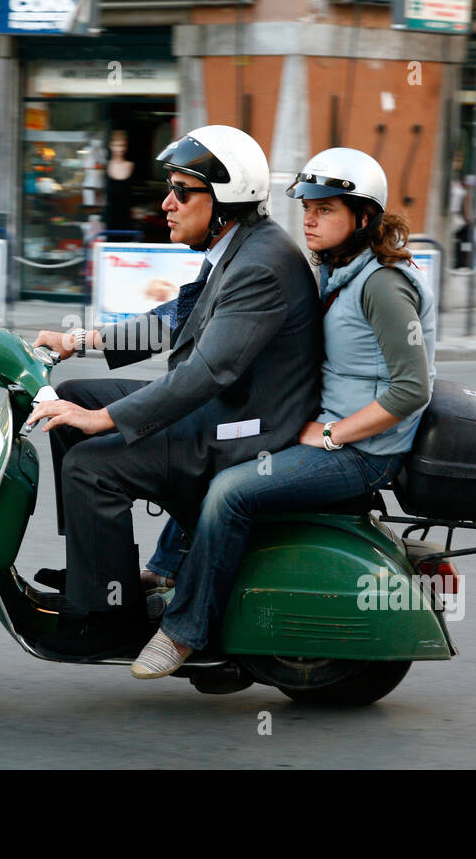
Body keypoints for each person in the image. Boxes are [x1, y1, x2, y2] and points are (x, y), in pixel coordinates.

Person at [129, 147, 437, 678]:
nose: (310, 219)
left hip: (364, 452)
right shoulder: (340, 267)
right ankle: (165, 572)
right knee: (215, 444)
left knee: (232, 490)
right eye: (307, 207)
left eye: (326, 209)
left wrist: (335, 435)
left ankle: (184, 633)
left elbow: (412, 390)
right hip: (324, 428)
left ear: (363, 218)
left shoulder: (383, 284)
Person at [25, 125, 322, 656]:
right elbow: (174, 322)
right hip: (227, 408)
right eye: (170, 189)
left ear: (224, 199)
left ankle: (108, 619)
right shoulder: (239, 247)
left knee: (89, 461)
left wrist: (104, 421)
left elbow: (203, 373)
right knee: (77, 394)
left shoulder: (261, 266)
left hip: (245, 430)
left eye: (182, 191)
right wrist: (79, 340)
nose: (167, 203)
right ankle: (100, 574)